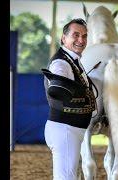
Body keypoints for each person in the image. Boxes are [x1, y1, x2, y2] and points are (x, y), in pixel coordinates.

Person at [41, 18, 96, 180]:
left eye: (84, 36)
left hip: (71, 129)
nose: (81, 40)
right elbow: (57, 83)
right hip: (64, 129)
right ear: (63, 39)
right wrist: (60, 86)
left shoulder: (73, 60)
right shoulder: (61, 62)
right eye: (76, 35)